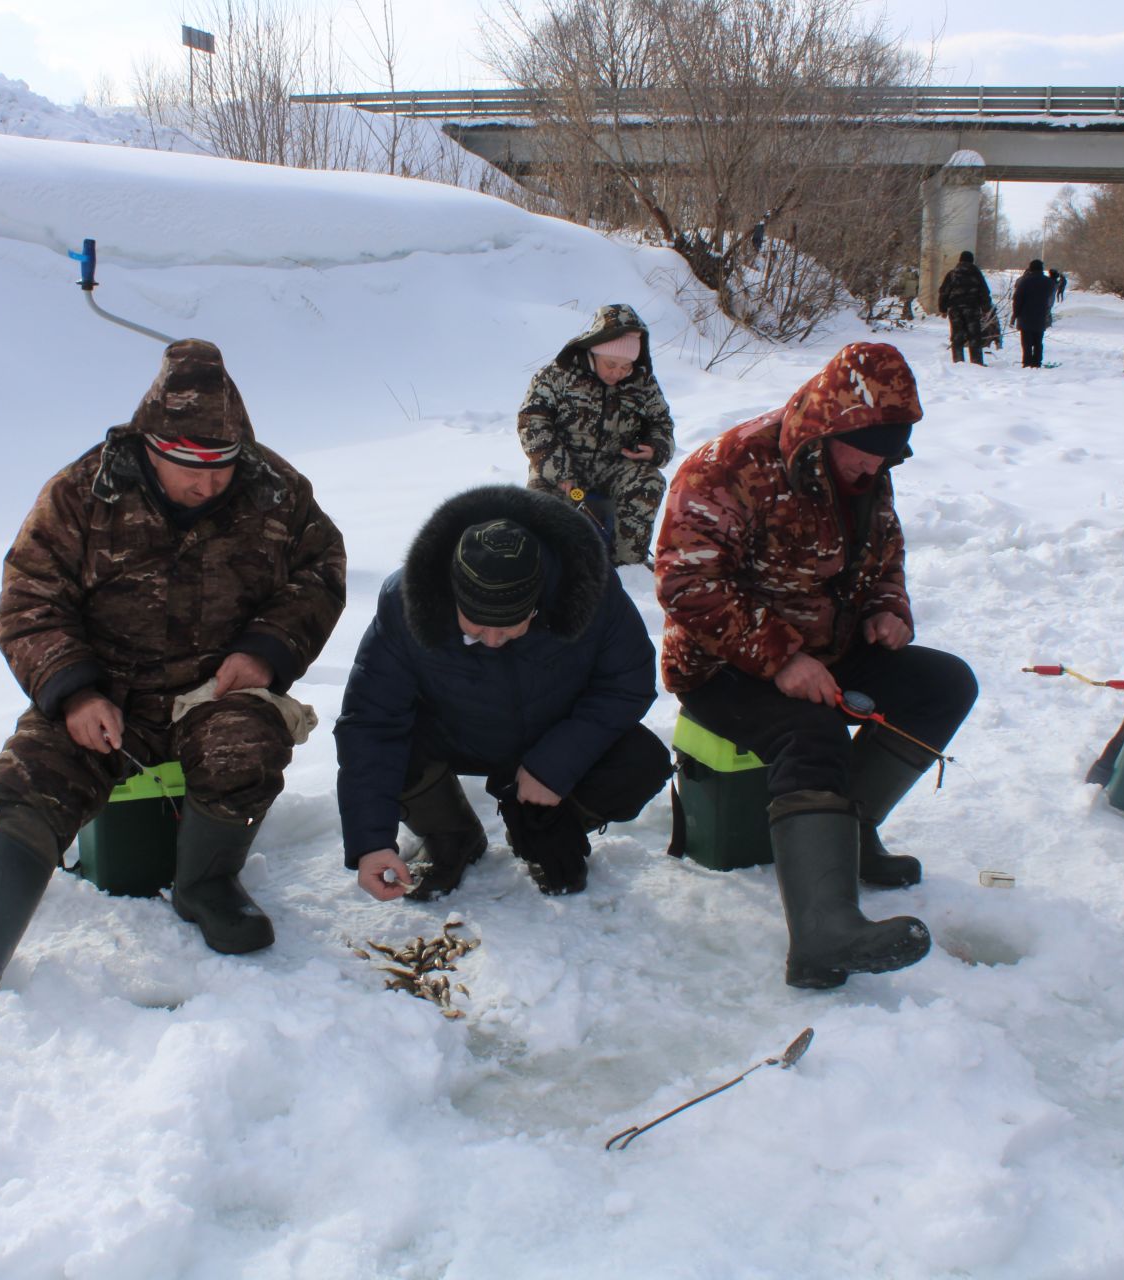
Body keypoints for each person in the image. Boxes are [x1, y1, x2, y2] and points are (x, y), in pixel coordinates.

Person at [0, 339, 347, 996]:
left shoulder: (276, 491)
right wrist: (73, 692)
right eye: (188, 465)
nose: (207, 482)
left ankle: (207, 886)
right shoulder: (82, 493)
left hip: (214, 692)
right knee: (24, 775)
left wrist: (265, 649)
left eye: (222, 466)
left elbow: (319, 575)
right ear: (151, 444)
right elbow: (29, 597)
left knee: (247, 741)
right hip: (105, 694)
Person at [654, 343, 978, 990]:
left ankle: (851, 839)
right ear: (828, 425)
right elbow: (685, 583)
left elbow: (886, 558)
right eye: (865, 448)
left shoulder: (864, 470)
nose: (876, 463)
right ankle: (821, 934)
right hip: (724, 663)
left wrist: (890, 610)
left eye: (890, 450)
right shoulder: (729, 466)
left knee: (945, 685)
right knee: (810, 730)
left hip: (828, 649)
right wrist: (781, 657)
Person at [338, 486, 670, 900]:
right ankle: (451, 835)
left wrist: (555, 764)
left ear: (539, 600)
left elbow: (627, 683)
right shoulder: (405, 601)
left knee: (643, 761)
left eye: (512, 625)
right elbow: (371, 723)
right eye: (475, 627)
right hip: (455, 733)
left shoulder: (590, 588)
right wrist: (371, 842)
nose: (493, 640)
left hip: (550, 732)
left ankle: (539, 824)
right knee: (392, 747)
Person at [517, 304, 677, 568]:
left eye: (626, 366)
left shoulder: (642, 382)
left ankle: (628, 566)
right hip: (561, 464)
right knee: (540, 508)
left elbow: (661, 422)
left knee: (649, 481)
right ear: (594, 350)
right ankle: (547, 569)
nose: (618, 373)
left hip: (614, 466)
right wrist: (560, 471)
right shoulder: (559, 375)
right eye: (611, 364)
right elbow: (532, 422)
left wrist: (656, 448)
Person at [936, 249, 992, 365]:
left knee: (957, 335)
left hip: (955, 309)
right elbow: (984, 292)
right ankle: (976, 362)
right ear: (972, 261)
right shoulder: (977, 274)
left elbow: (944, 292)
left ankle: (958, 361)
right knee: (974, 335)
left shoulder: (952, 274)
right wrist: (986, 309)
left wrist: (943, 309)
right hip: (972, 309)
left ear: (960, 260)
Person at [1011, 258, 1057, 369]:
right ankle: (1036, 362)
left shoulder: (1024, 281)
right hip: (1040, 316)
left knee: (1026, 342)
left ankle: (1027, 362)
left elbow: (1017, 299)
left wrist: (1015, 315)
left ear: (1030, 268)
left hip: (1025, 316)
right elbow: (1053, 289)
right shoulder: (1047, 282)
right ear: (1042, 269)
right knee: (1038, 341)